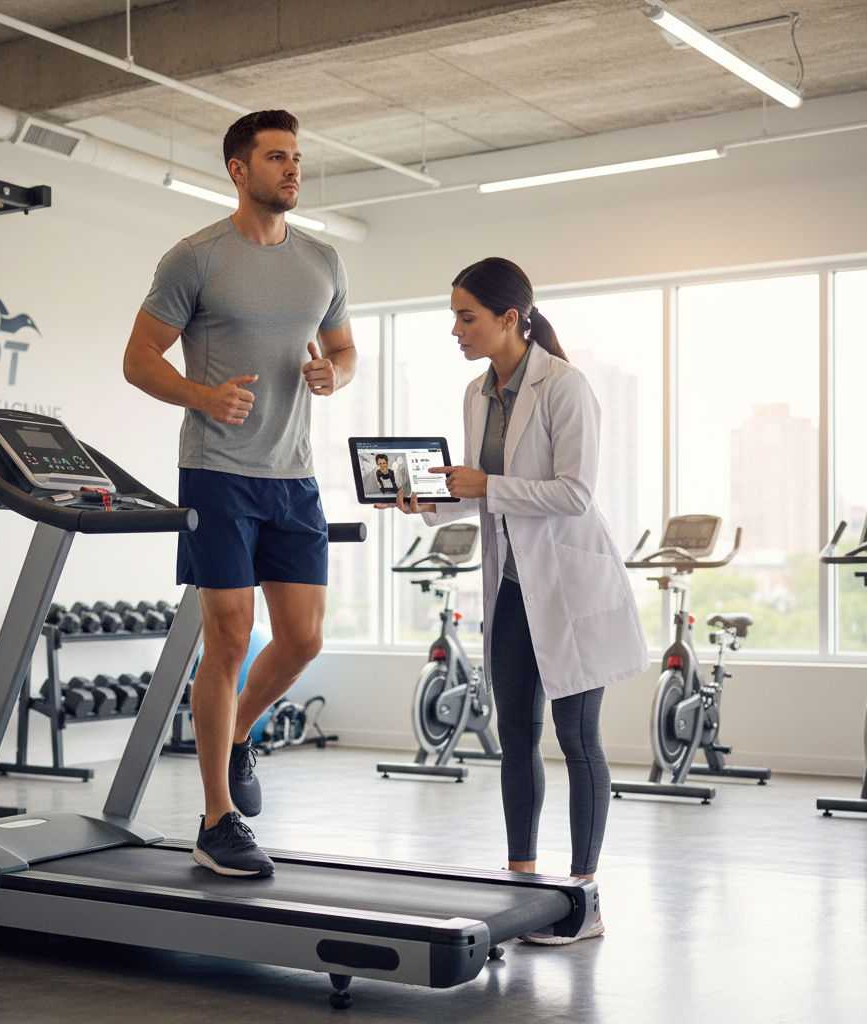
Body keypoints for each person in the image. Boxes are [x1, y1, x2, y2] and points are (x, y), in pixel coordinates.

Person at [378, 256, 648, 942]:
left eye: (466, 317)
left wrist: (483, 486)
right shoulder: (478, 393)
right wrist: (427, 502)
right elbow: (481, 494)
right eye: (453, 317)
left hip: (572, 587)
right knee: (517, 738)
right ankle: (521, 885)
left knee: (577, 739)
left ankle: (583, 901)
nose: (455, 329)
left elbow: (574, 493)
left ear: (508, 318)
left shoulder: (566, 385)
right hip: (512, 588)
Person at [123, 109, 357, 879]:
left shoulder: (322, 260)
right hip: (218, 473)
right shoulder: (195, 258)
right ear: (238, 168)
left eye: (297, 158)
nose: (293, 170)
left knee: (303, 640)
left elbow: (345, 348)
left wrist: (333, 373)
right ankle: (217, 820)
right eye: (277, 157)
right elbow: (139, 358)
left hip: (295, 478)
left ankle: (236, 734)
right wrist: (202, 395)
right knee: (228, 637)